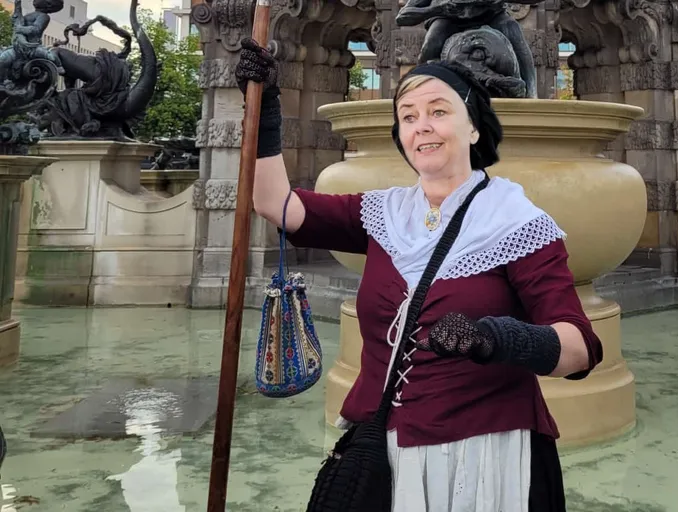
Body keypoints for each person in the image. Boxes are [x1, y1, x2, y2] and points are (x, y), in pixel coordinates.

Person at [234, 38, 604, 512]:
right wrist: (264, 110)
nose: (421, 126)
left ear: (474, 127)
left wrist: (495, 338)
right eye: (408, 116)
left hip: (483, 459)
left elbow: (580, 348)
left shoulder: (518, 223)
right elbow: (276, 204)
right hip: (380, 454)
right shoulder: (382, 213)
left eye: (438, 111)